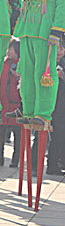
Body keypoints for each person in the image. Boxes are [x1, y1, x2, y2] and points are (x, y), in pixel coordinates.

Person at [46, 35, 65, 175]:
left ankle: (54, 164)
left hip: (63, 107)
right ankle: (37, 165)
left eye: (62, 48)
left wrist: (63, 77)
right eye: (57, 47)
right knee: (42, 137)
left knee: (58, 137)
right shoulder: (45, 62)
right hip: (48, 105)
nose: (59, 51)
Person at [0, 39, 21, 167]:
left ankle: (15, 161)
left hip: (16, 106)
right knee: (1, 135)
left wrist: (18, 76)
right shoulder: (4, 63)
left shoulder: (22, 64)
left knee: (18, 137)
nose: (8, 51)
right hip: (4, 105)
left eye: (10, 49)